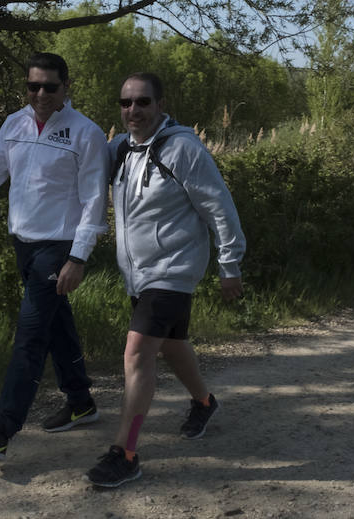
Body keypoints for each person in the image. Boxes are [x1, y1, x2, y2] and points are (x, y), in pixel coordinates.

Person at [0, 52, 109, 461]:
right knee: (57, 323)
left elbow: (95, 202)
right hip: (24, 245)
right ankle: (81, 401)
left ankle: (2, 428)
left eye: (50, 86)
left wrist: (78, 257)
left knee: (29, 336)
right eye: (33, 86)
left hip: (59, 247)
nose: (41, 94)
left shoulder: (86, 133)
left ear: (66, 87)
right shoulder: (15, 123)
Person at [84, 72, 246, 488]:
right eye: (125, 103)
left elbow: (220, 208)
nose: (132, 110)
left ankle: (127, 452)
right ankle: (204, 402)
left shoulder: (183, 149)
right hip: (136, 275)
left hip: (173, 271)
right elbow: (78, 168)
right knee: (172, 345)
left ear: (160, 104)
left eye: (142, 102)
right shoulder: (119, 149)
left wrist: (230, 265)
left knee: (138, 352)